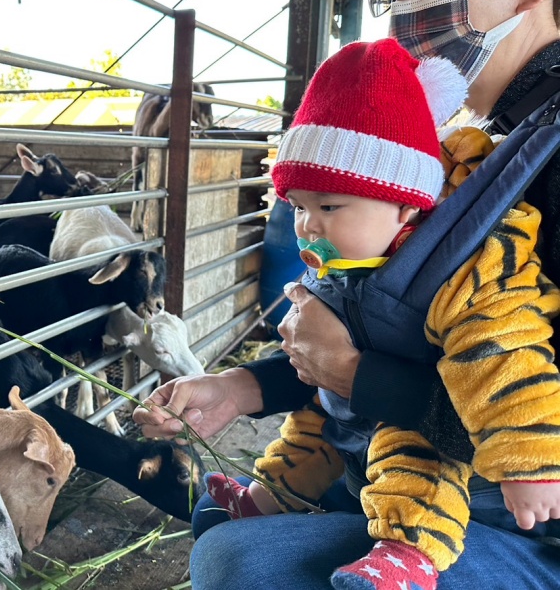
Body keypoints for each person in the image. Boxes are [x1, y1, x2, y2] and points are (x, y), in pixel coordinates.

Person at [133, 0, 560, 588]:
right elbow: (392, 323)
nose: (407, 12)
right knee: (230, 531)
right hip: (399, 453)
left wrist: (354, 374)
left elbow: (518, 398)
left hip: (519, 506)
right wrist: (243, 388)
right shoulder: (471, 148)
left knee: (236, 562)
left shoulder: (541, 163)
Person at [203, 36, 560, 590]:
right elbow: (317, 358)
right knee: (310, 426)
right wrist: (241, 383)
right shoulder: (355, 254)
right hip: (357, 419)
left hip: (458, 462)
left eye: (328, 206)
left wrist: (529, 460)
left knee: (407, 450)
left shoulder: (462, 267)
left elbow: (502, 353)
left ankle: (407, 553)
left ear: (405, 202)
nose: (307, 226)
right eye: (298, 206)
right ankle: (265, 499)